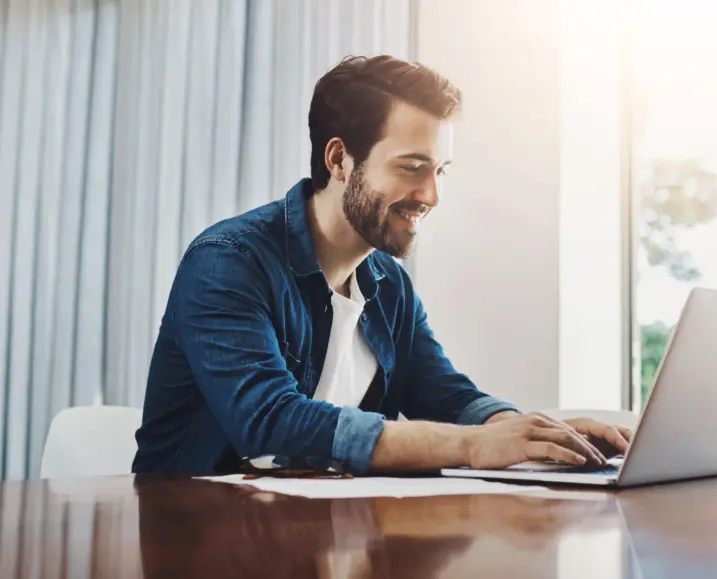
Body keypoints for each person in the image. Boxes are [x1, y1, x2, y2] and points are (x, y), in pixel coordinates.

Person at [132, 55, 632, 476]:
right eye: (412, 168)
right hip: (195, 537)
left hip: (321, 536)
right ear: (339, 160)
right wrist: (474, 446)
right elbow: (268, 421)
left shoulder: (387, 283)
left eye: (439, 172)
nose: (431, 195)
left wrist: (534, 433)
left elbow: (444, 395)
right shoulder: (228, 261)